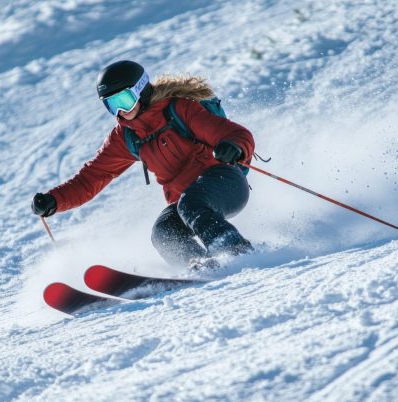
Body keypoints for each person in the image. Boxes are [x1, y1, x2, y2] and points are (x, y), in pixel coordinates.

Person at [31, 60, 255, 268]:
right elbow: (93, 176)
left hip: (225, 183)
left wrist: (233, 146)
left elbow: (235, 133)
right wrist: (55, 200)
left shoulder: (179, 110)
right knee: (163, 232)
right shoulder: (126, 136)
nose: (120, 111)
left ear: (141, 90)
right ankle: (201, 267)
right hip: (187, 202)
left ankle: (236, 251)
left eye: (124, 101)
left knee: (190, 203)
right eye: (111, 105)